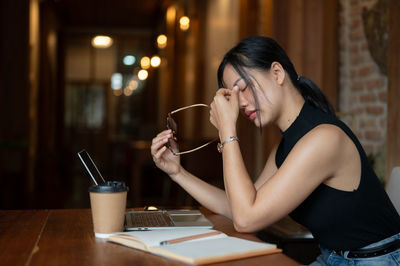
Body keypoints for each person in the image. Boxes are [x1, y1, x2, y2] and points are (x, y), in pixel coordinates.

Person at [151, 36, 400, 265]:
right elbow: (239, 206)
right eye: (233, 96)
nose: (240, 103)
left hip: (376, 260)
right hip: (332, 258)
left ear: (277, 73)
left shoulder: (324, 139)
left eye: (244, 87)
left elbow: (245, 218)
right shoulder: (286, 146)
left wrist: (227, 129)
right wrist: (177, 172)